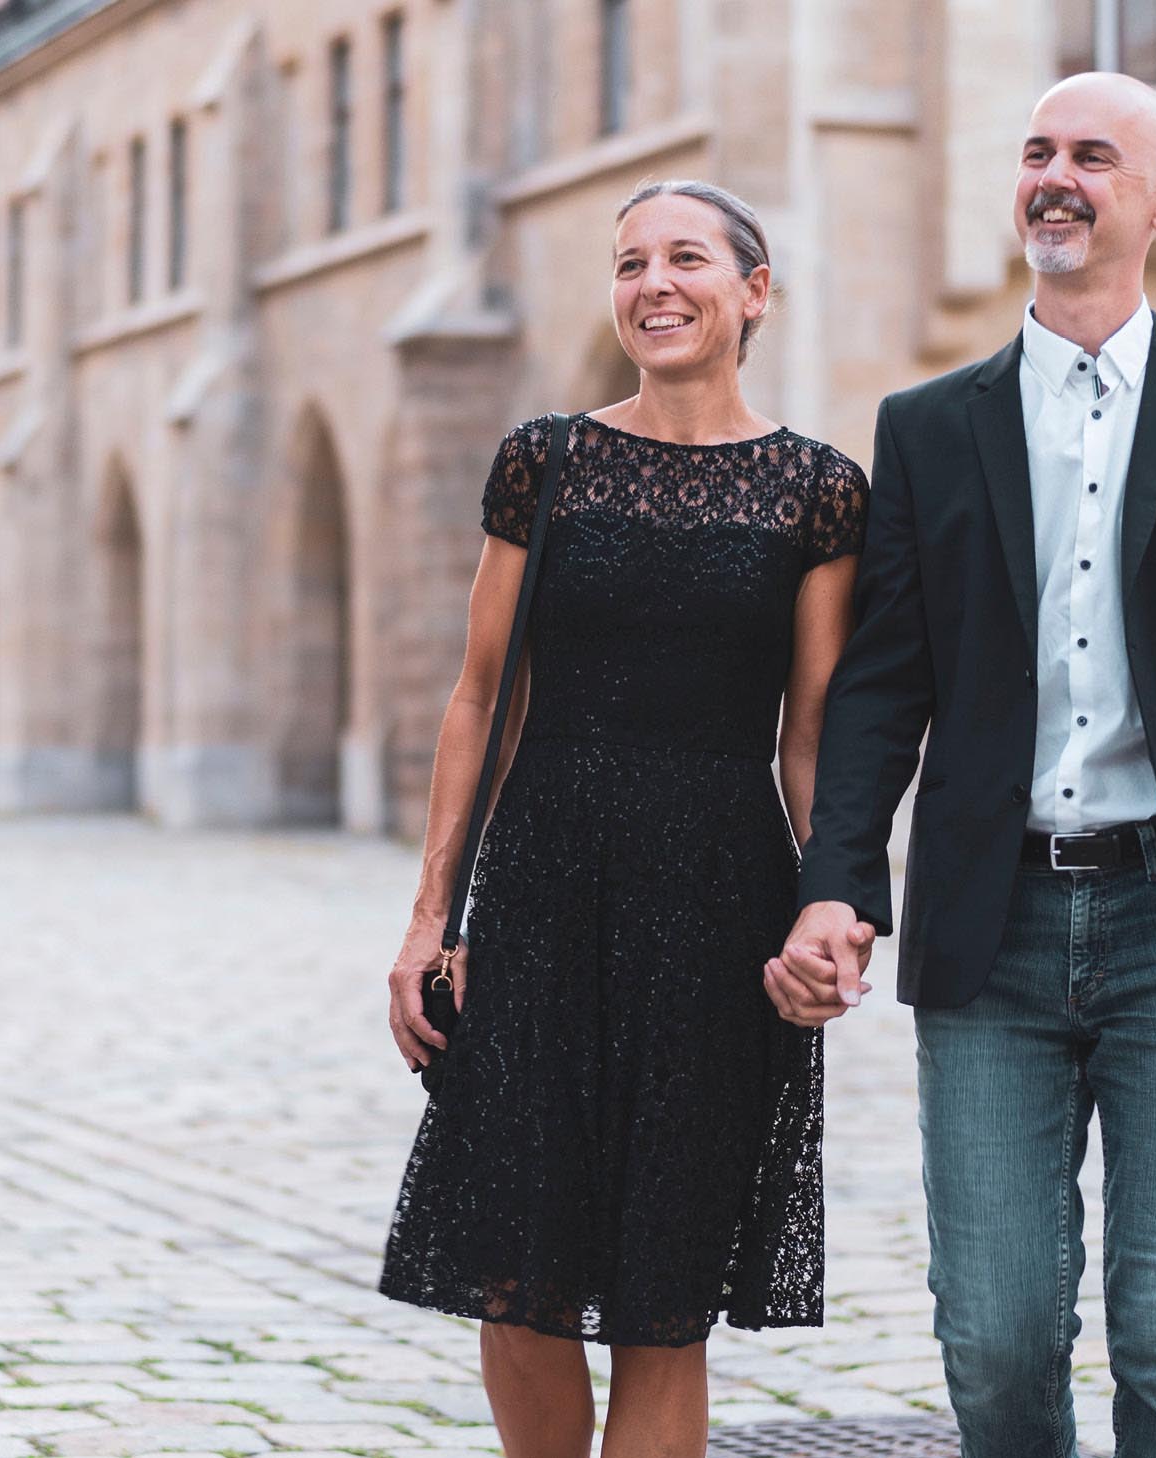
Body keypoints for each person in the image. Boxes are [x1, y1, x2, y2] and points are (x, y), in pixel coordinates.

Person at [769, 72, 1156, 1458]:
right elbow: (879, 687)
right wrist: (836, 880)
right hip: (993, 923)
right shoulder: (927, 426)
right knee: (992, 1327)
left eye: (1094, 157)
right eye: (1038, 151)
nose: (1058, 176)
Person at [378, 179, 867, 1458]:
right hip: (540, 893)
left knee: (665, 1297)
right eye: (629, 262)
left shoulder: (817, 491)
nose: (654, 282)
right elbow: (480, 696)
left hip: (719, 906)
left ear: (753, 290)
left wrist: (832, 907)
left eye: (686, 258)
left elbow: (808, 734)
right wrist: (432, 916)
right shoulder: (545, 463)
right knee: (514, 1267)